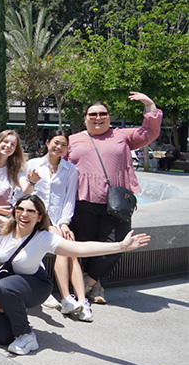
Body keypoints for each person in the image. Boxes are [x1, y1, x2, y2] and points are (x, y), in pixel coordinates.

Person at [0, 195, 150, 355]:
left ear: (39, 217)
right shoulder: (0, 230)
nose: (24, 214)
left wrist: (120, 246)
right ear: (14, 211)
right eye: (20, 209)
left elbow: (81, 248)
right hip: (6, 286)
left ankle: (27, 335)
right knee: (1, 337)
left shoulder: (43, 238)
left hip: (35, 285)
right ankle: (15, 317)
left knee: (7, 286)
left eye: (31, 211)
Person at [65, 92, 162, 304]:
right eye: (93, 114)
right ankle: (96, 286)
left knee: (118, 241)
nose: (98, 118)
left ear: (109, 117)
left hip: (116, 201)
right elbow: (56, 164)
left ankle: (89, 280)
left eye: (103, 114)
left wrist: (150, 104)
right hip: (83, 200)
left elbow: (149, 132)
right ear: (85, 118)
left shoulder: (122, 135)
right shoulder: (73, 140)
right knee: (85, 243)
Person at [25, 130, 89, 320]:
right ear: (47, 143)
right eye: (56, 143)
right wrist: (31, 181)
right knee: (64, 247)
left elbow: (69, 199)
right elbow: (23, 192)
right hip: (35, 218)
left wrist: (65, 223)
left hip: (57, 220)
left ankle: (82, 300)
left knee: (72, 250)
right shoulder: (33, 164)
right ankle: (66, 297)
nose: (58, 147)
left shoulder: (70, 170)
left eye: (63, 144)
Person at [0, 130, 32, 229]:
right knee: (2, 224)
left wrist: (32, 181)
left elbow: (27, 190)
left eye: (13, 144)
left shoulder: (15, 169)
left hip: (7, 213)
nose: (8, 146)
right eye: (5, 141)